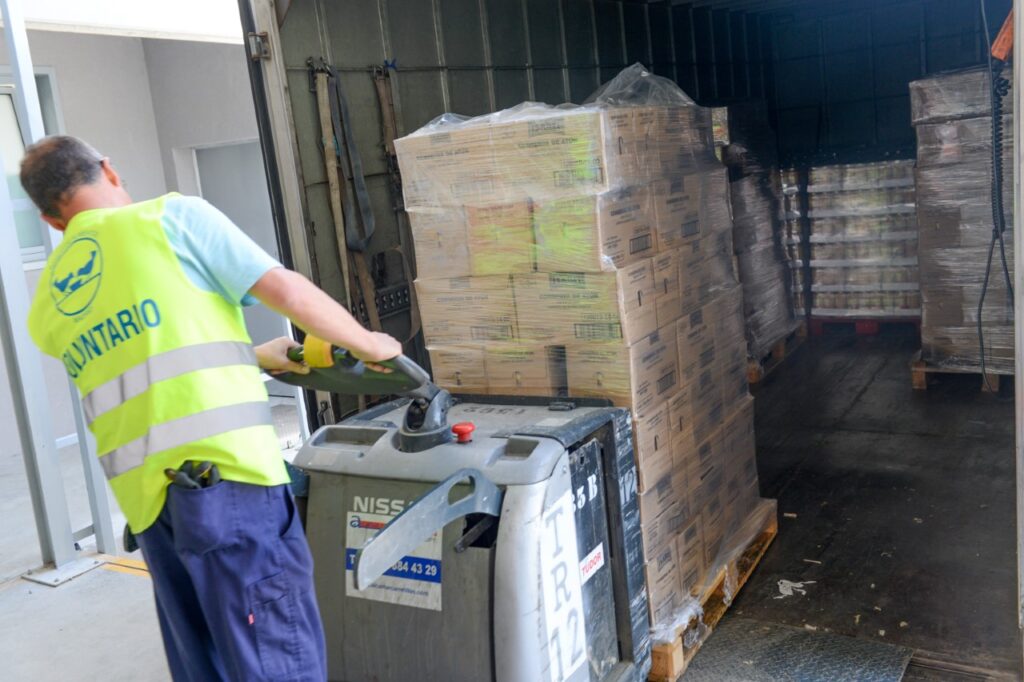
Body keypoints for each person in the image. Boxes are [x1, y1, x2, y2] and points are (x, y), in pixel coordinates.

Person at [21, 135, 402, 681]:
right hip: (231, 486)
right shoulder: (170, 220)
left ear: (50, 221)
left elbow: (143, 362)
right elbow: (287, 292)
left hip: (151, 509)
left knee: (207, 661)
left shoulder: (47, 304)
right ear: (109, 169)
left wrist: (252, 356)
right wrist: (370, 344)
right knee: (274, 653)